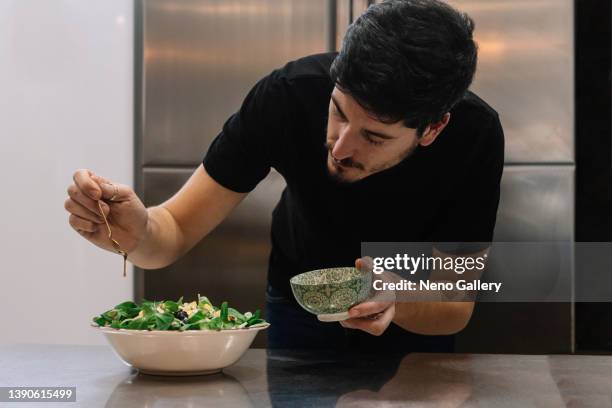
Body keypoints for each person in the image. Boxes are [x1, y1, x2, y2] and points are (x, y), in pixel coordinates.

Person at [65, 0, 504, 351]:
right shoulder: (288, 95)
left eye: (374, 137)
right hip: (299, 305)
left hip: (413, 315)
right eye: (337, 112)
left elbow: (453, 304)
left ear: (433, 128)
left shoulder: (475, 135)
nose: (341, 146)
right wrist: (137, 233)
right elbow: (174, 229)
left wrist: (395, 299)